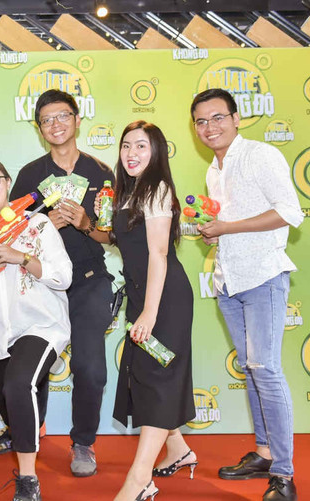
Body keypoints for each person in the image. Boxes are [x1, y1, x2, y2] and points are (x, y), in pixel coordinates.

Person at [191, 88, 303, 501]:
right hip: (229, 282)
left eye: (218, 117)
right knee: (252, 370)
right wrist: (214, 233)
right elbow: (230, 223)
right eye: (201, 121)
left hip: (263, 278)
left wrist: (227, 228)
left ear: (236, 118)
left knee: (266, 370)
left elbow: (289, 212)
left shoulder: (260, 155)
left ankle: (284, 475)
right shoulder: (214, 170)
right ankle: (265, 454)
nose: (210, 127)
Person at [0, 158, 72, 501]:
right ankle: (31, 412)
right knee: (7, 398)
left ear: (7, 182)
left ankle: (28, 478)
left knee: (19, 383)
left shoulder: (39, 224)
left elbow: (63, 277)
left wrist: (20, 257)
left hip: (40, 324)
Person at [9, 89, 114, 477]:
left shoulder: (102, 173)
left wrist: (86, 224)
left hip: (89, 281)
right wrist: (42, 227)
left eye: (63, 116)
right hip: (43, 285)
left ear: (77, 119)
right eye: (47, 120)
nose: (56, 124)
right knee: (31, 368)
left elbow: (112, 235)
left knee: (91, 368)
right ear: (40, 129)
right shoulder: (29, 175)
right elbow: (12, 235)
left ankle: (83, 442)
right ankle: (30, 433)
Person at [110, 121, 196, 501]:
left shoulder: (157, 188)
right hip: (142, 296)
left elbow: (159, 254)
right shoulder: (128, 190)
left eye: (141, 146)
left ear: (156, 151)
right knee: (146, 377)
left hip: (164, 301)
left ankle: (139, 479)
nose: (132, 153)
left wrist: (149, 313)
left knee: (158, 379)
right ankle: (178, 448)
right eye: (126, 145)